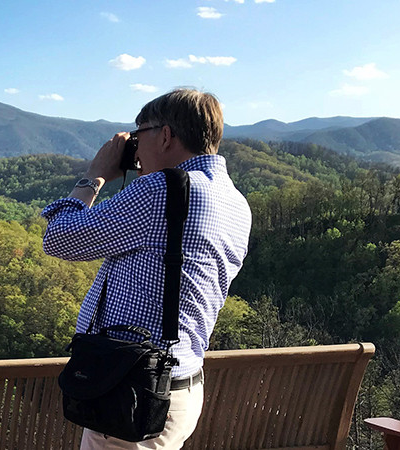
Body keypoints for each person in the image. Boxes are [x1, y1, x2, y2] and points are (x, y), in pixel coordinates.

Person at [41, 88, 252, 449]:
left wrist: (94, 177)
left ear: (166, 135)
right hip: (180, 387)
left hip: (133, 393)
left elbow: (59, 239)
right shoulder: (235, 202)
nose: (135, 151)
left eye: (139, 137)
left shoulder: (164, 190)